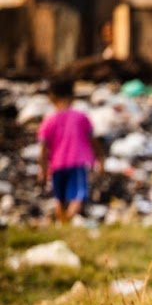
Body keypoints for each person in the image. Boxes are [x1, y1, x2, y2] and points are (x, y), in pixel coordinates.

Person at [37, 78, 105, 225]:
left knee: (59, 198)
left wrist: (41, 169)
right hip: (77, 162)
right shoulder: (81, 118)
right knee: (78, 196)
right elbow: (93, 140)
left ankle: (63, 223)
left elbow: (43, 148)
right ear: (73, 97)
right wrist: (100, 159)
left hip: (56, 164)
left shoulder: (48, 121)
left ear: (50, 97)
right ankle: (67, 223)